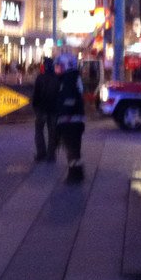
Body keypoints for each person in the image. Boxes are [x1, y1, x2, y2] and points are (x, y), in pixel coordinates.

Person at [55, 53, 85, 183]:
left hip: (70, 122)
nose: (58, 69)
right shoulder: (73, 78)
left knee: (71, 150)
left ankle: (74, 175)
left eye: (60, 66)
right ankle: (77, 172)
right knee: (75, 150)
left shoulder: (68, 80)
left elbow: (69, 101)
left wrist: (62, 116)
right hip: (75, 121)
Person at [31, 56, 59, 162]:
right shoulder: (57, 79)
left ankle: (41, 153)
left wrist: (35, 107)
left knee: (39, 131)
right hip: (53, 110)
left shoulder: (40, 78)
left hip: (42, 109)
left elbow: (36, 94)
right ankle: (51, 155)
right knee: (52, 133)